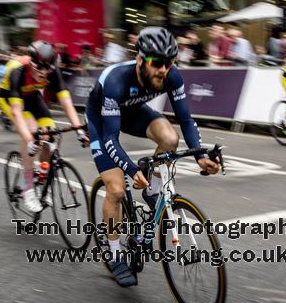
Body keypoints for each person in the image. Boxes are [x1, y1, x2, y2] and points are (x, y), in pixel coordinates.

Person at [85, 27, 220, 287]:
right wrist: (131, 168)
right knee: (115, 189)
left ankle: (153, 191)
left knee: (170, 139)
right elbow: (111, 139)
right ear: (140, 60)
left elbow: (186, 119)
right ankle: (114, 255)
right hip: (102, 121)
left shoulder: (171, 75)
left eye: (169, 63)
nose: (163, 69)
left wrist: (201, 157)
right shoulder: (115, 80)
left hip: (134, 111)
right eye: (156, 63)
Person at [0, 41, 88, 213]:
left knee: (49, 134)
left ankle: (43, 179)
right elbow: (17, 112)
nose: (43, 72)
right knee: (32, 132)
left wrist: (79, 129)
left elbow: (66, 101)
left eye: (47, 69)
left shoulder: (52, 71)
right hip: (10, 99)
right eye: (39, 68)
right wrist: (30, 139)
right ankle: (28, 187)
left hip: (31, 96)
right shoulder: (18, 71)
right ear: (30, 63)